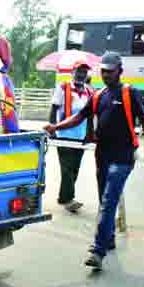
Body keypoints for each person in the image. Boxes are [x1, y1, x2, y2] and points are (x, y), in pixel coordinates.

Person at [44, 51, 144, 270]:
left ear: (120, 71)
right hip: (103, 155)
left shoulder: (130, 92)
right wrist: (55, 127)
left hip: (123, 156)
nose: (106, 74)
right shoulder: (98, 95)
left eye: (110, 71)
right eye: (103, 71)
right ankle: (110, 238)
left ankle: (98, 250)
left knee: (107, 201)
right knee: (104, 201)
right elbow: (79, 117)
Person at [49, 59, 93, 213]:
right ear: (72, 72)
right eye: (78, 71)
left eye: (84, 72)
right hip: (64, 134)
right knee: (67, 169)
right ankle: (69, 199)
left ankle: (63, 197)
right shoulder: (63, 88)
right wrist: (52, 129)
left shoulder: (89, 91)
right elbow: (54, 108)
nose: (81, 74)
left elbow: (90, 115)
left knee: (74, 168)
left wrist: (90, 134)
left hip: (81, 136)